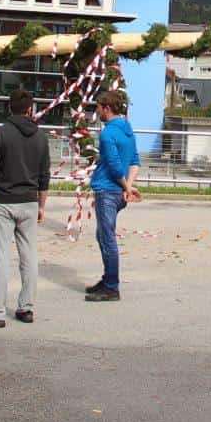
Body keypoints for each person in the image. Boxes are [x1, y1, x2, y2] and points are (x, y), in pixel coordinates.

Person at [0, 88, 51, 329]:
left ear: (10, 107)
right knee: (29, 256)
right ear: (30, 109)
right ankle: (26, 307)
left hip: (4, 201)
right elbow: (44, 175)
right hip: (29, 201)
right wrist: (41, 205)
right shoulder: (41, 137)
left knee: (0, 256)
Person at [85, 90, 140, 303]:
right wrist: (129, 186)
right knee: (102, 235)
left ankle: (111, 287)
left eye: (98, 107)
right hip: (118, 191)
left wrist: (126, 187)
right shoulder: (127, 130)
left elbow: (115, 166)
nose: (97, 111)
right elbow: (134, 161)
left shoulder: (107, 133)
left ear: (106, 108)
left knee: (107, 238)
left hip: (107, 190)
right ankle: (107, 278)